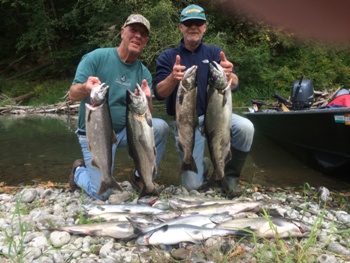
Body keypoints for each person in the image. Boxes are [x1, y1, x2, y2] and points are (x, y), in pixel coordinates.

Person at [153, 4, 254, 196]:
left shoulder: (215, 53)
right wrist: (171, 79)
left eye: (198, 23)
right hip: (187, 123)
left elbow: (235, 84)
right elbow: (159, 93)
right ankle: (206, 165)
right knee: (191, 187)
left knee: (246, 127)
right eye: (188, 23)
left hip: (217, 117)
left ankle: (229, 177)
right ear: (180, 27)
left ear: (205, 27)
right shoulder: (168, 57)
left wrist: (230, 75)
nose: (193, 27)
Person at [68, 14, 169, 200]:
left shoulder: (143, 72)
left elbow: (147, 119)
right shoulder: (96, 58)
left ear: (146, 41)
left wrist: (147, 100)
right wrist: (86, 88)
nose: (138, 36)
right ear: (123, 32)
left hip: (125, 133)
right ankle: (78, 172)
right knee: (102, 194)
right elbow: (72, 95)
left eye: (143, 34)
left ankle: (142, 178)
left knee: (161, 127)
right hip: (95, 134)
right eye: (133, 30)